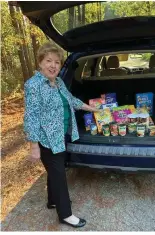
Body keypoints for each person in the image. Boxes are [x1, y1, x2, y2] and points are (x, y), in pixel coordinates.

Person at [24, 42, 100, 228]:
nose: (53, 65)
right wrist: (34, 146)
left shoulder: (57, 82)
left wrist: (91, 108)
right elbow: (31, 117)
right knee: (58, 173)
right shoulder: (33, 85)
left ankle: (52, 200)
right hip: (47, 139)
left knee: (54, 171)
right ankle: (65, 214)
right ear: (40, 63)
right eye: (48, 61)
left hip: (61, 134)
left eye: (57, 62)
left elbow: (71, 100)